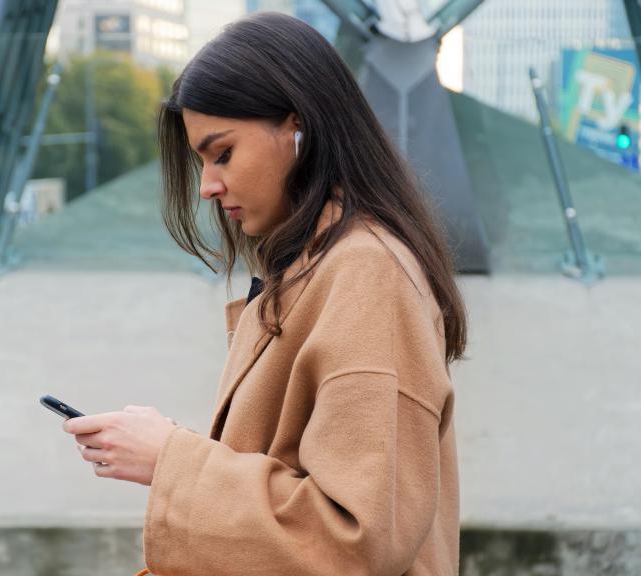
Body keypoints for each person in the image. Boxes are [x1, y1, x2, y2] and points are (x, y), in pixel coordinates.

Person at [62, 11, 467, 576]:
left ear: (299, 130)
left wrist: (170, 459)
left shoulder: (366, 274)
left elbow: (355, 541)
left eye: (222, 152)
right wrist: (174, 452)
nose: (207, 186)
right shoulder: (320, 268)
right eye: (202, 161)